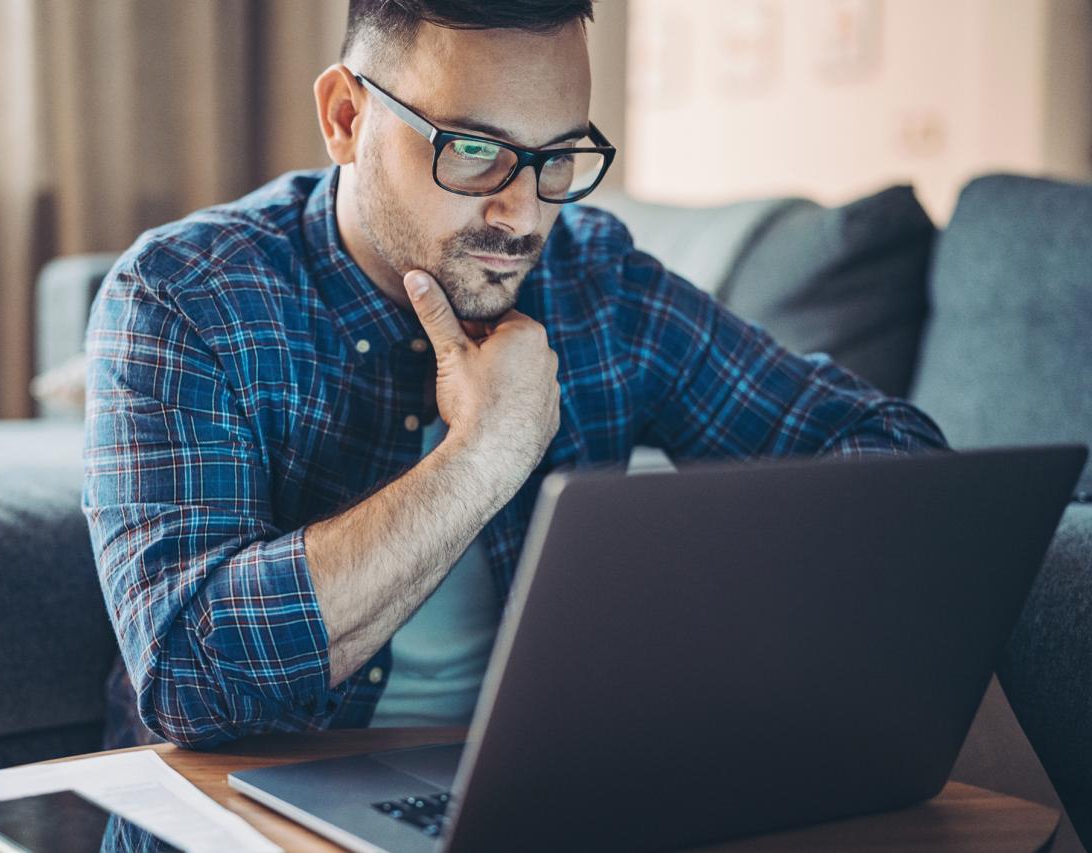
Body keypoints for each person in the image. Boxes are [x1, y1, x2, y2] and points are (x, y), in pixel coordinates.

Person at [82, 0, 947, 750]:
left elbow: (896, 456)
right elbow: (188, 678)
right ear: (346, 116)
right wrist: (485, 458)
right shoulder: (185, 297)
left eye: (558, 156)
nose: (524, 212)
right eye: (472, 150)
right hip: (243, 809)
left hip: (544, 795)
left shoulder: (599, 285)